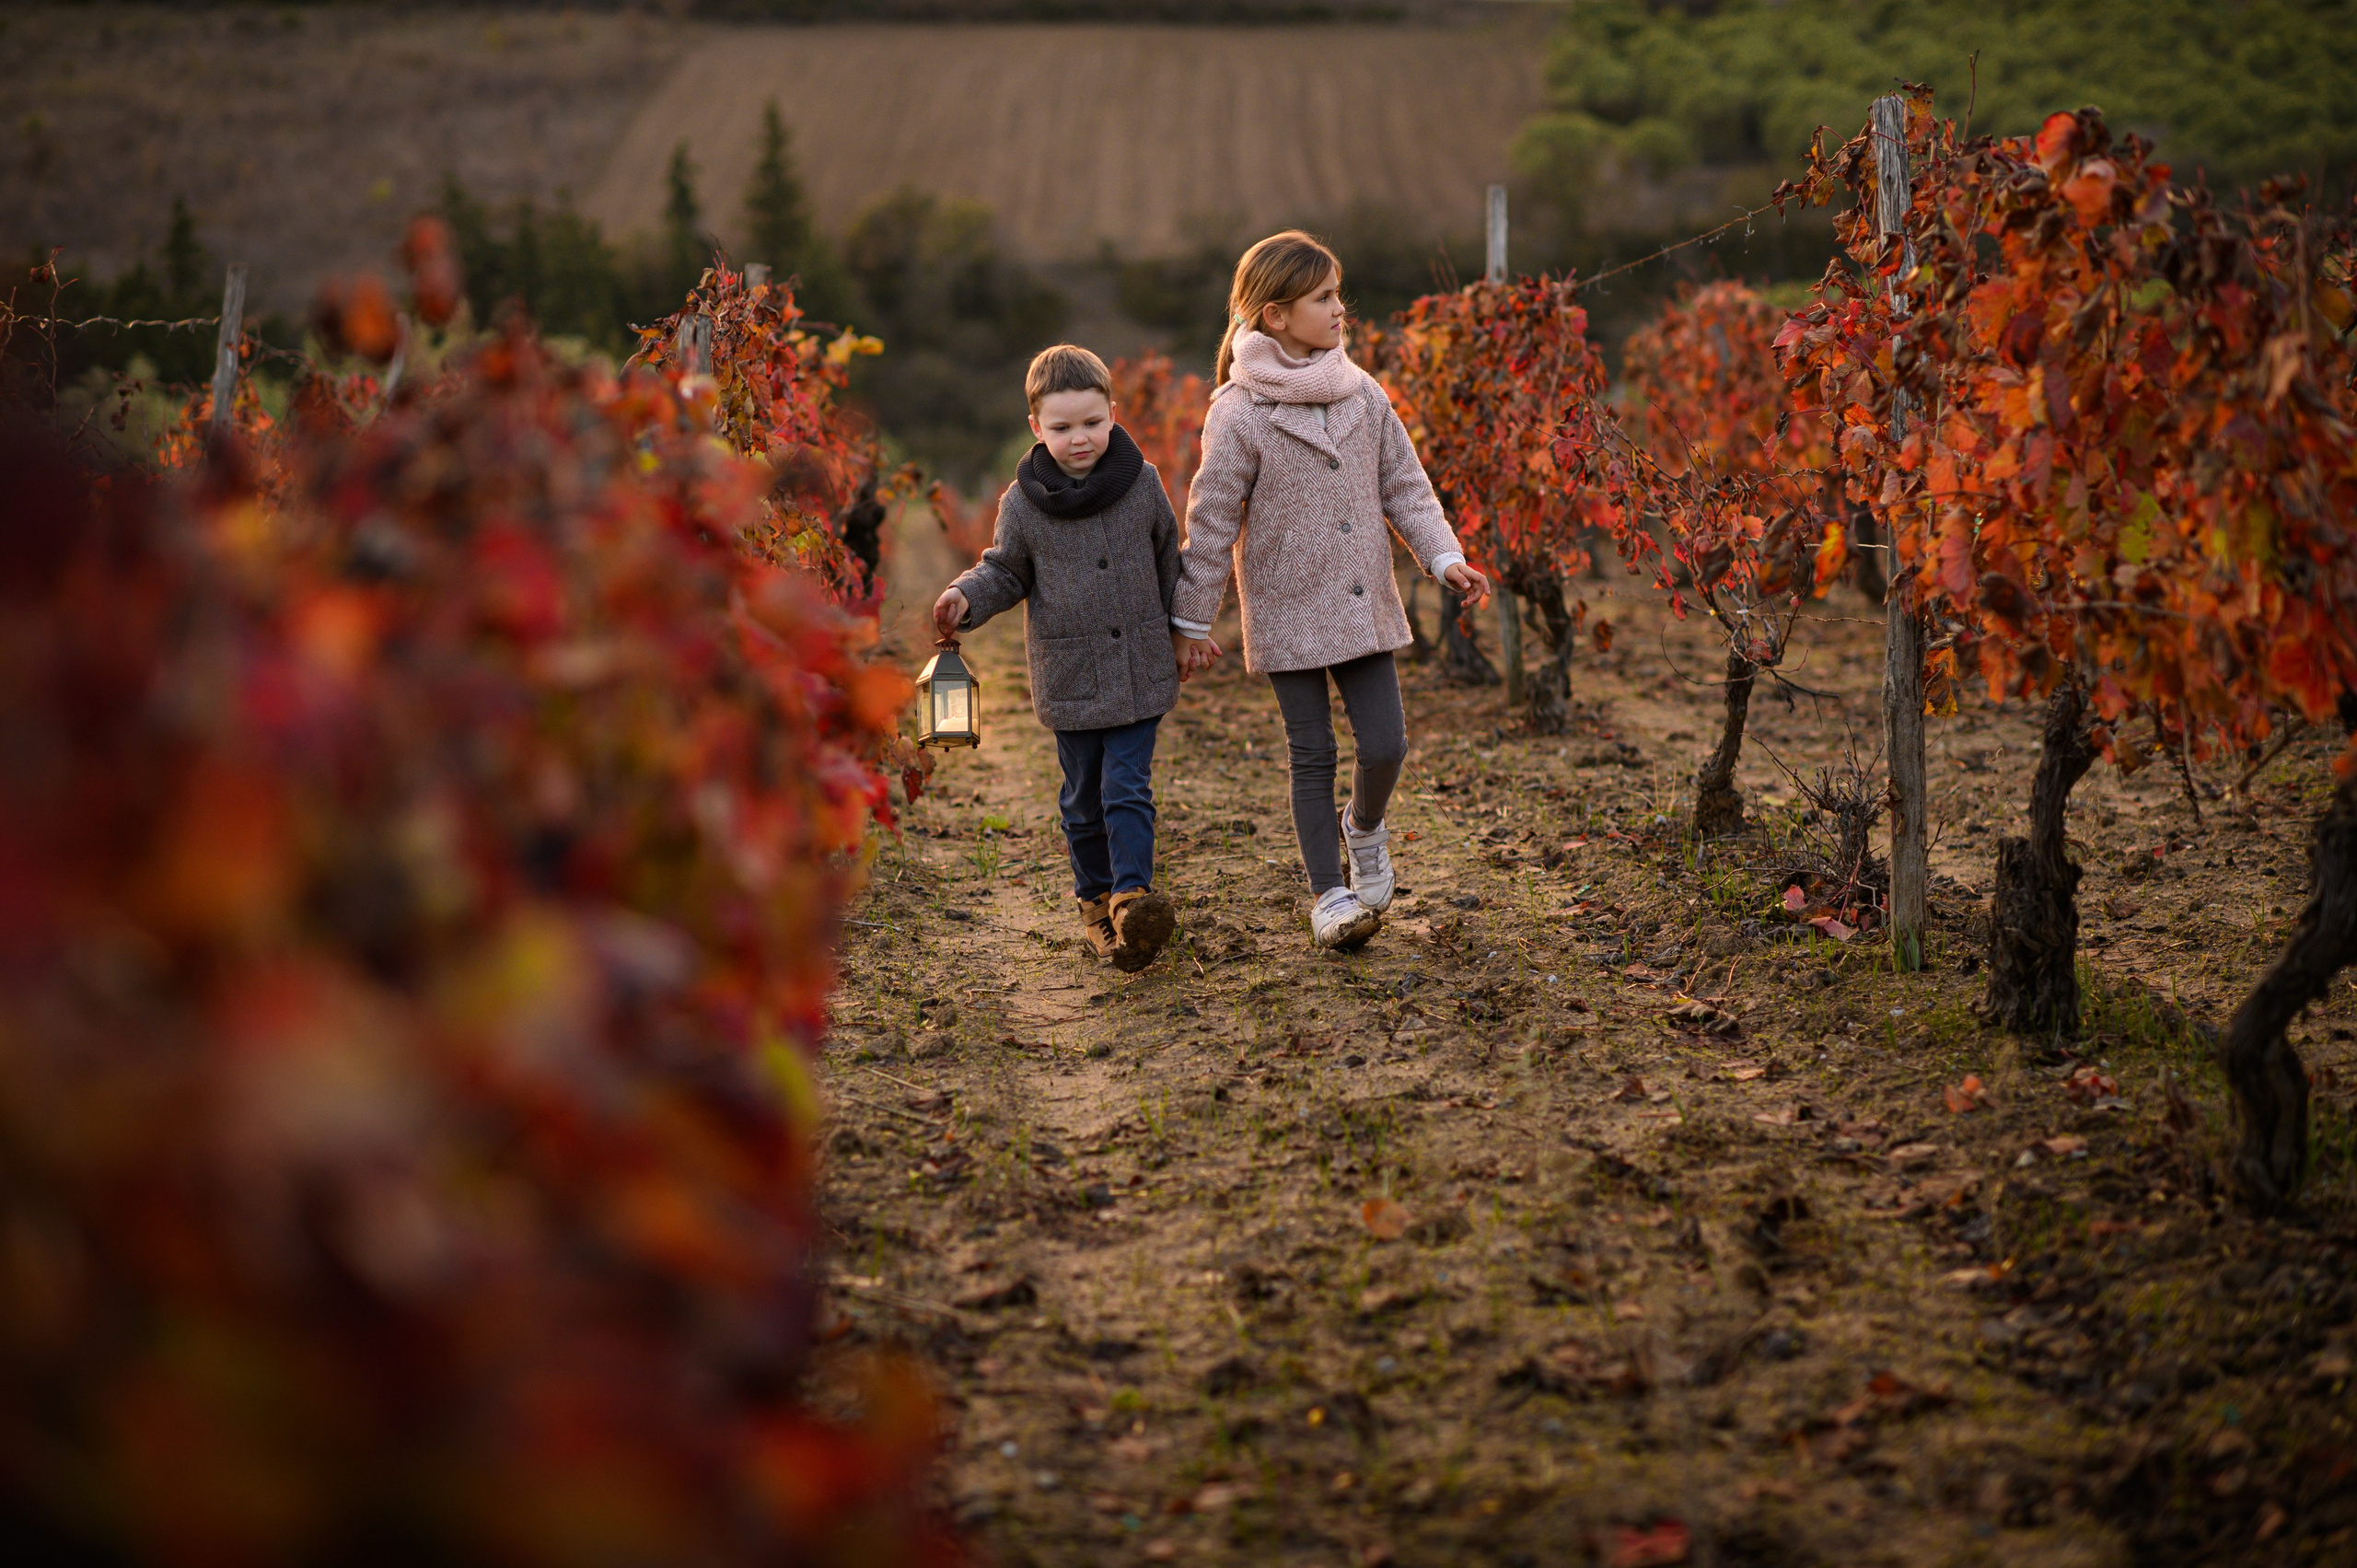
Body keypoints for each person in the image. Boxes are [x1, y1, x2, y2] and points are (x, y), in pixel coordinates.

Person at [1168, 231, 1492, 950]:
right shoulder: (1239, 411)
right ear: (1276, 315)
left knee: (1386, 745)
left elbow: (1405, 485)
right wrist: (1192, 622)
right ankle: (1329, 895)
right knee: (1310, 752)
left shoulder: (1362, 392)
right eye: (1323, 297)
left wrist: (1444, 558)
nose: (1341, 308)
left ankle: (1365, 826)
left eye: (1337, 292)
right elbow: (1211, 520)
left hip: (1360, 598)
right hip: (1285, 607)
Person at [934, 344, 1183, 972]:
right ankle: (1095, 901)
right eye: (1063, 427)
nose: (1081, 439)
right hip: (1070, 678)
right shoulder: (1024, 505)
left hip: (1137, 670)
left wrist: (1189, 629)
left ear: (1113, 414)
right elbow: (1006, 570)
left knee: (1126, 785)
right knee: (1081, 800)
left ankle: (1133, 896)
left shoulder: (1143, 483)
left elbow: (1168, 563)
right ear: (1036, 428)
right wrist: (966, 595)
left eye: (1093, 423)